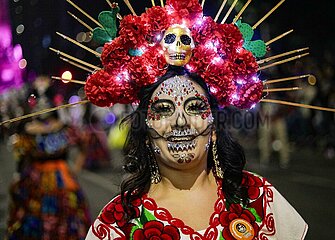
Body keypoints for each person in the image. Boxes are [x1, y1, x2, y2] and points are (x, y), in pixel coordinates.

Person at [85, 68, 307, 240]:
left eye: (195, 107)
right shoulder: (118, 221)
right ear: (145, 133)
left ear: (213, 129)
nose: (181, 122)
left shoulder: (258, 197)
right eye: (163, 110)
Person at [6, 76, 91, 240]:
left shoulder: (63, 128)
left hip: (62, 178)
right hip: (34, 179)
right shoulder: (27, 129)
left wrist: (76, 168)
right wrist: (18, 176)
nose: (42, 102)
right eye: (38, 97)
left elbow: (83, 144)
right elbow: (21, 157)